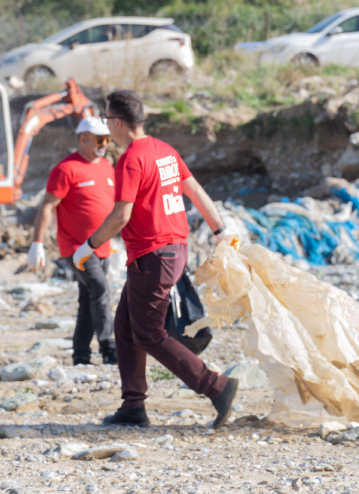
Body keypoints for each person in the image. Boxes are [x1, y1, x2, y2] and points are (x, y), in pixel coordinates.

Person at [73, 89, 239, 429]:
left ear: (118, 123)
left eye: (106, 119)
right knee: (125, 327)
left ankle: (216, 386)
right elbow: (195, 190)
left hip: (154, 255)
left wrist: (89, 246)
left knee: (149, 333)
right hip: (170, 251)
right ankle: (133, 406)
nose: (106, 125)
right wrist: (219, 230)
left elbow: (121, 215)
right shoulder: (165, 150)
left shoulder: (131, 159)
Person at [28, 116, 117, 366]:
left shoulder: (107, 167)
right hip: (76, 247)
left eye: (107, 139)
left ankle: (80, 355)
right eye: (99, 139)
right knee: (100, 289)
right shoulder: (66, 169)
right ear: (83, 138)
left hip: (102, 246)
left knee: (88, 298)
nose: (104, 144)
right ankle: (109, 348)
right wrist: (37, 243)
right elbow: (47, 207)